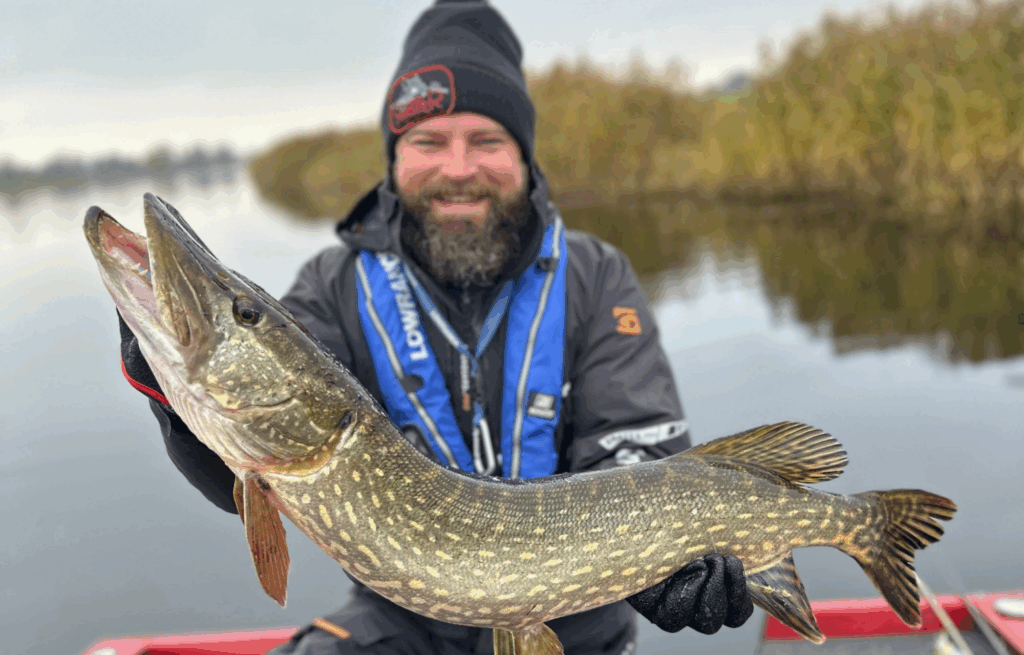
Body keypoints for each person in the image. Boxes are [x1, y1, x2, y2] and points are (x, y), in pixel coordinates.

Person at [117, 1, 753, 653]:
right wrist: (163, 381)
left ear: (524, 155)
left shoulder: (594, 275)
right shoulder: (333, 287)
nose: (457, 167)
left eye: (485, 140)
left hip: (576, 617)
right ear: (394, 157)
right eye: (428, 140)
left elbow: (635, 445)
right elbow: (246, 469)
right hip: (402, 619)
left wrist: (664, 562)